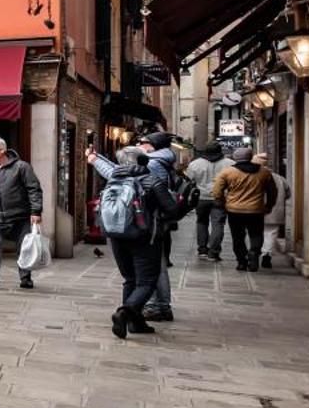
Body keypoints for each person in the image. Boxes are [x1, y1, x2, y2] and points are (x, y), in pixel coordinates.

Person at [89, 142, 173, 338]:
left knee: (130, 279)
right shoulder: (151, 181)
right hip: (145, 237)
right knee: (147, 282)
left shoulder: (113, 179)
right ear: (143, 161)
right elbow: (171, 209)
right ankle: (124, 313)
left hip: (116, 236)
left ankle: (135, 324)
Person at [0, 136, 43, 292]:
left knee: (23, 248)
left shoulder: (22, 167)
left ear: (2, 150)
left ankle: (25, 278)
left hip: (19, 216)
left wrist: (36, 211)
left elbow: (34, 189)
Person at [136, 132, 183, 322]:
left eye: (143, 142)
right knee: (159, 263)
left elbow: (143, 186)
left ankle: (155, 305)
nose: (139, 144)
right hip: (159, 219)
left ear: (153, 145)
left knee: (150, 264)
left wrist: (97, 161)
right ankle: (162, 305)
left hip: (151, 219)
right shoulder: (162, 160)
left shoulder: (152, 164)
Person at [212, 145, 277, 273]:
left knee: (238, 237)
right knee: (256, 234)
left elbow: (217, 191)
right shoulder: (264, 172)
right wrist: (269, 205)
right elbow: (272, 191)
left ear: (235, 158)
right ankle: (254, 252)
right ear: (250, 157)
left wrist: (222, 203)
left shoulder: (227, 172)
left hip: (234, 211)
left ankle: (241, 262)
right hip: (256, 210)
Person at [185, 143, 232, 261]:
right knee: (218, 224)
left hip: (201, 198)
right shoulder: (230, 164)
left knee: (201, 222)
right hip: (220, 198)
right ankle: (214, 252)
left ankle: (202, 250)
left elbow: (190, 180)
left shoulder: (195, 164)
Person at [259, 151, 290, 268]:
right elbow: (288, 193)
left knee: (257, 232)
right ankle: (266, 254)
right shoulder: (279, 178)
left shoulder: (255, 177)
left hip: (257, 210)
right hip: (275, 211)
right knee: (271, 233)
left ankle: (257, 251)